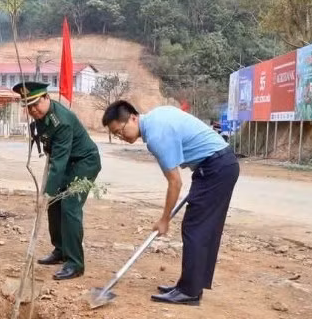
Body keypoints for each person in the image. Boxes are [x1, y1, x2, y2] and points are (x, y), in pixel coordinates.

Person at [101, 101, 239, 305]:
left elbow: (175, 182)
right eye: (116, 135)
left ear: (133, 117)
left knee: (196, 229)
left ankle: (189, 292)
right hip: (216, 165)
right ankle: (189, 286)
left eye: (120, 130)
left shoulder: (156, 136)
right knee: (202, 228)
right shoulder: (157, 116)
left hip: (215, 168)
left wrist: (164, 219)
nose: (122, 137)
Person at [12, 82, 101, 280]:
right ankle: (60, 250)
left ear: (46, 98)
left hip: (84, 163)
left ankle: (75, 263)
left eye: (36, 103)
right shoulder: (41, 118)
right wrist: (49, 195)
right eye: (28, 106)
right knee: (54, 205)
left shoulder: (61, 121)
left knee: (69, 207)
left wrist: (46, 193)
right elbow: (53, 153)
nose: (33, 109)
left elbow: (58, 162)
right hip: (67, 162)